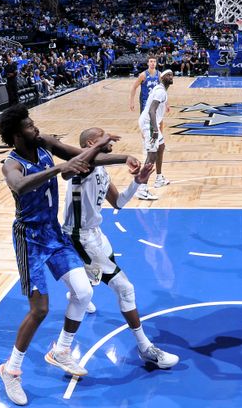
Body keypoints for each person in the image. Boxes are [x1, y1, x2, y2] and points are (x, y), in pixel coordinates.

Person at [0, 104, 141, 406]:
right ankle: (11, 370)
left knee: (84, 292)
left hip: (54, 233)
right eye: (27, 125)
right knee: (39, 310)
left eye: (32, 122)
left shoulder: (44, 142)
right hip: (30, 239)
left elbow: (85, 158)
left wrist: (119, 155)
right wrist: (58, 169)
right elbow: (20, 186)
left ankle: (61, 351)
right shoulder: (12, 164)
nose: (33, 127)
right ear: (14, 135)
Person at [62, 127, 180, 369]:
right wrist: (125, 157)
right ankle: (146, 348)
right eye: (104, 137)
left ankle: (79, 285)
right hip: (80, 236)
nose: (110, 141)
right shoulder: (82, 166)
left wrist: (137, 182)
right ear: (92, 143)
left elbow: (118, 202)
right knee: (125, 289)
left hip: (95, 233)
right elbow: (91, 158)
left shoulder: (101, 170)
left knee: (100, 276)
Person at [136, 69, 174, 201]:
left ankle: (159, 178)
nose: (171, 76)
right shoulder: (160, 92)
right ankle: (141, 189)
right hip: (149, 123)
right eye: (168, 75)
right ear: (161, 78)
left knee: (161, 147)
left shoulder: (161, 90)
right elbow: (152, 111)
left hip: (152, 123)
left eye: (172, 75)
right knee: (151, 154)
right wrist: (155, 129)